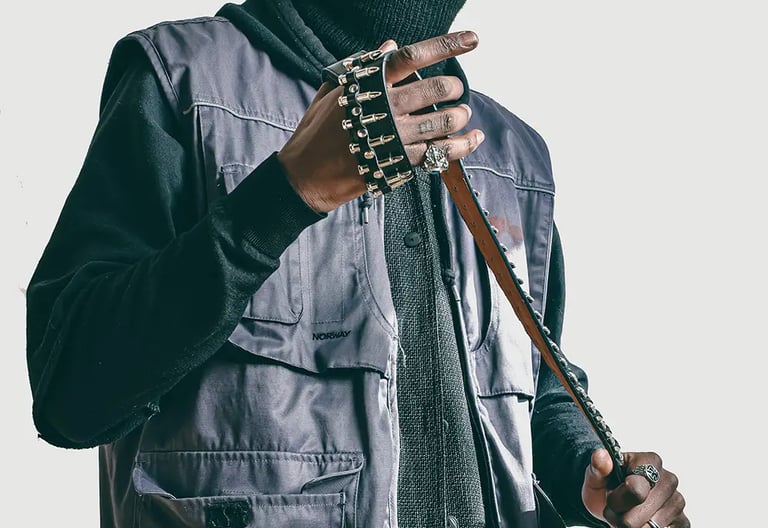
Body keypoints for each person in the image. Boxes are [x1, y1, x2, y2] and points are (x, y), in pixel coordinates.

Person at [25, 1, 689, 527]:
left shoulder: (513, 155)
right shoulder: (182, 78)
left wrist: (587, 472)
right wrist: (286, 194)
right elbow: (69, 394)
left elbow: (533, 391)